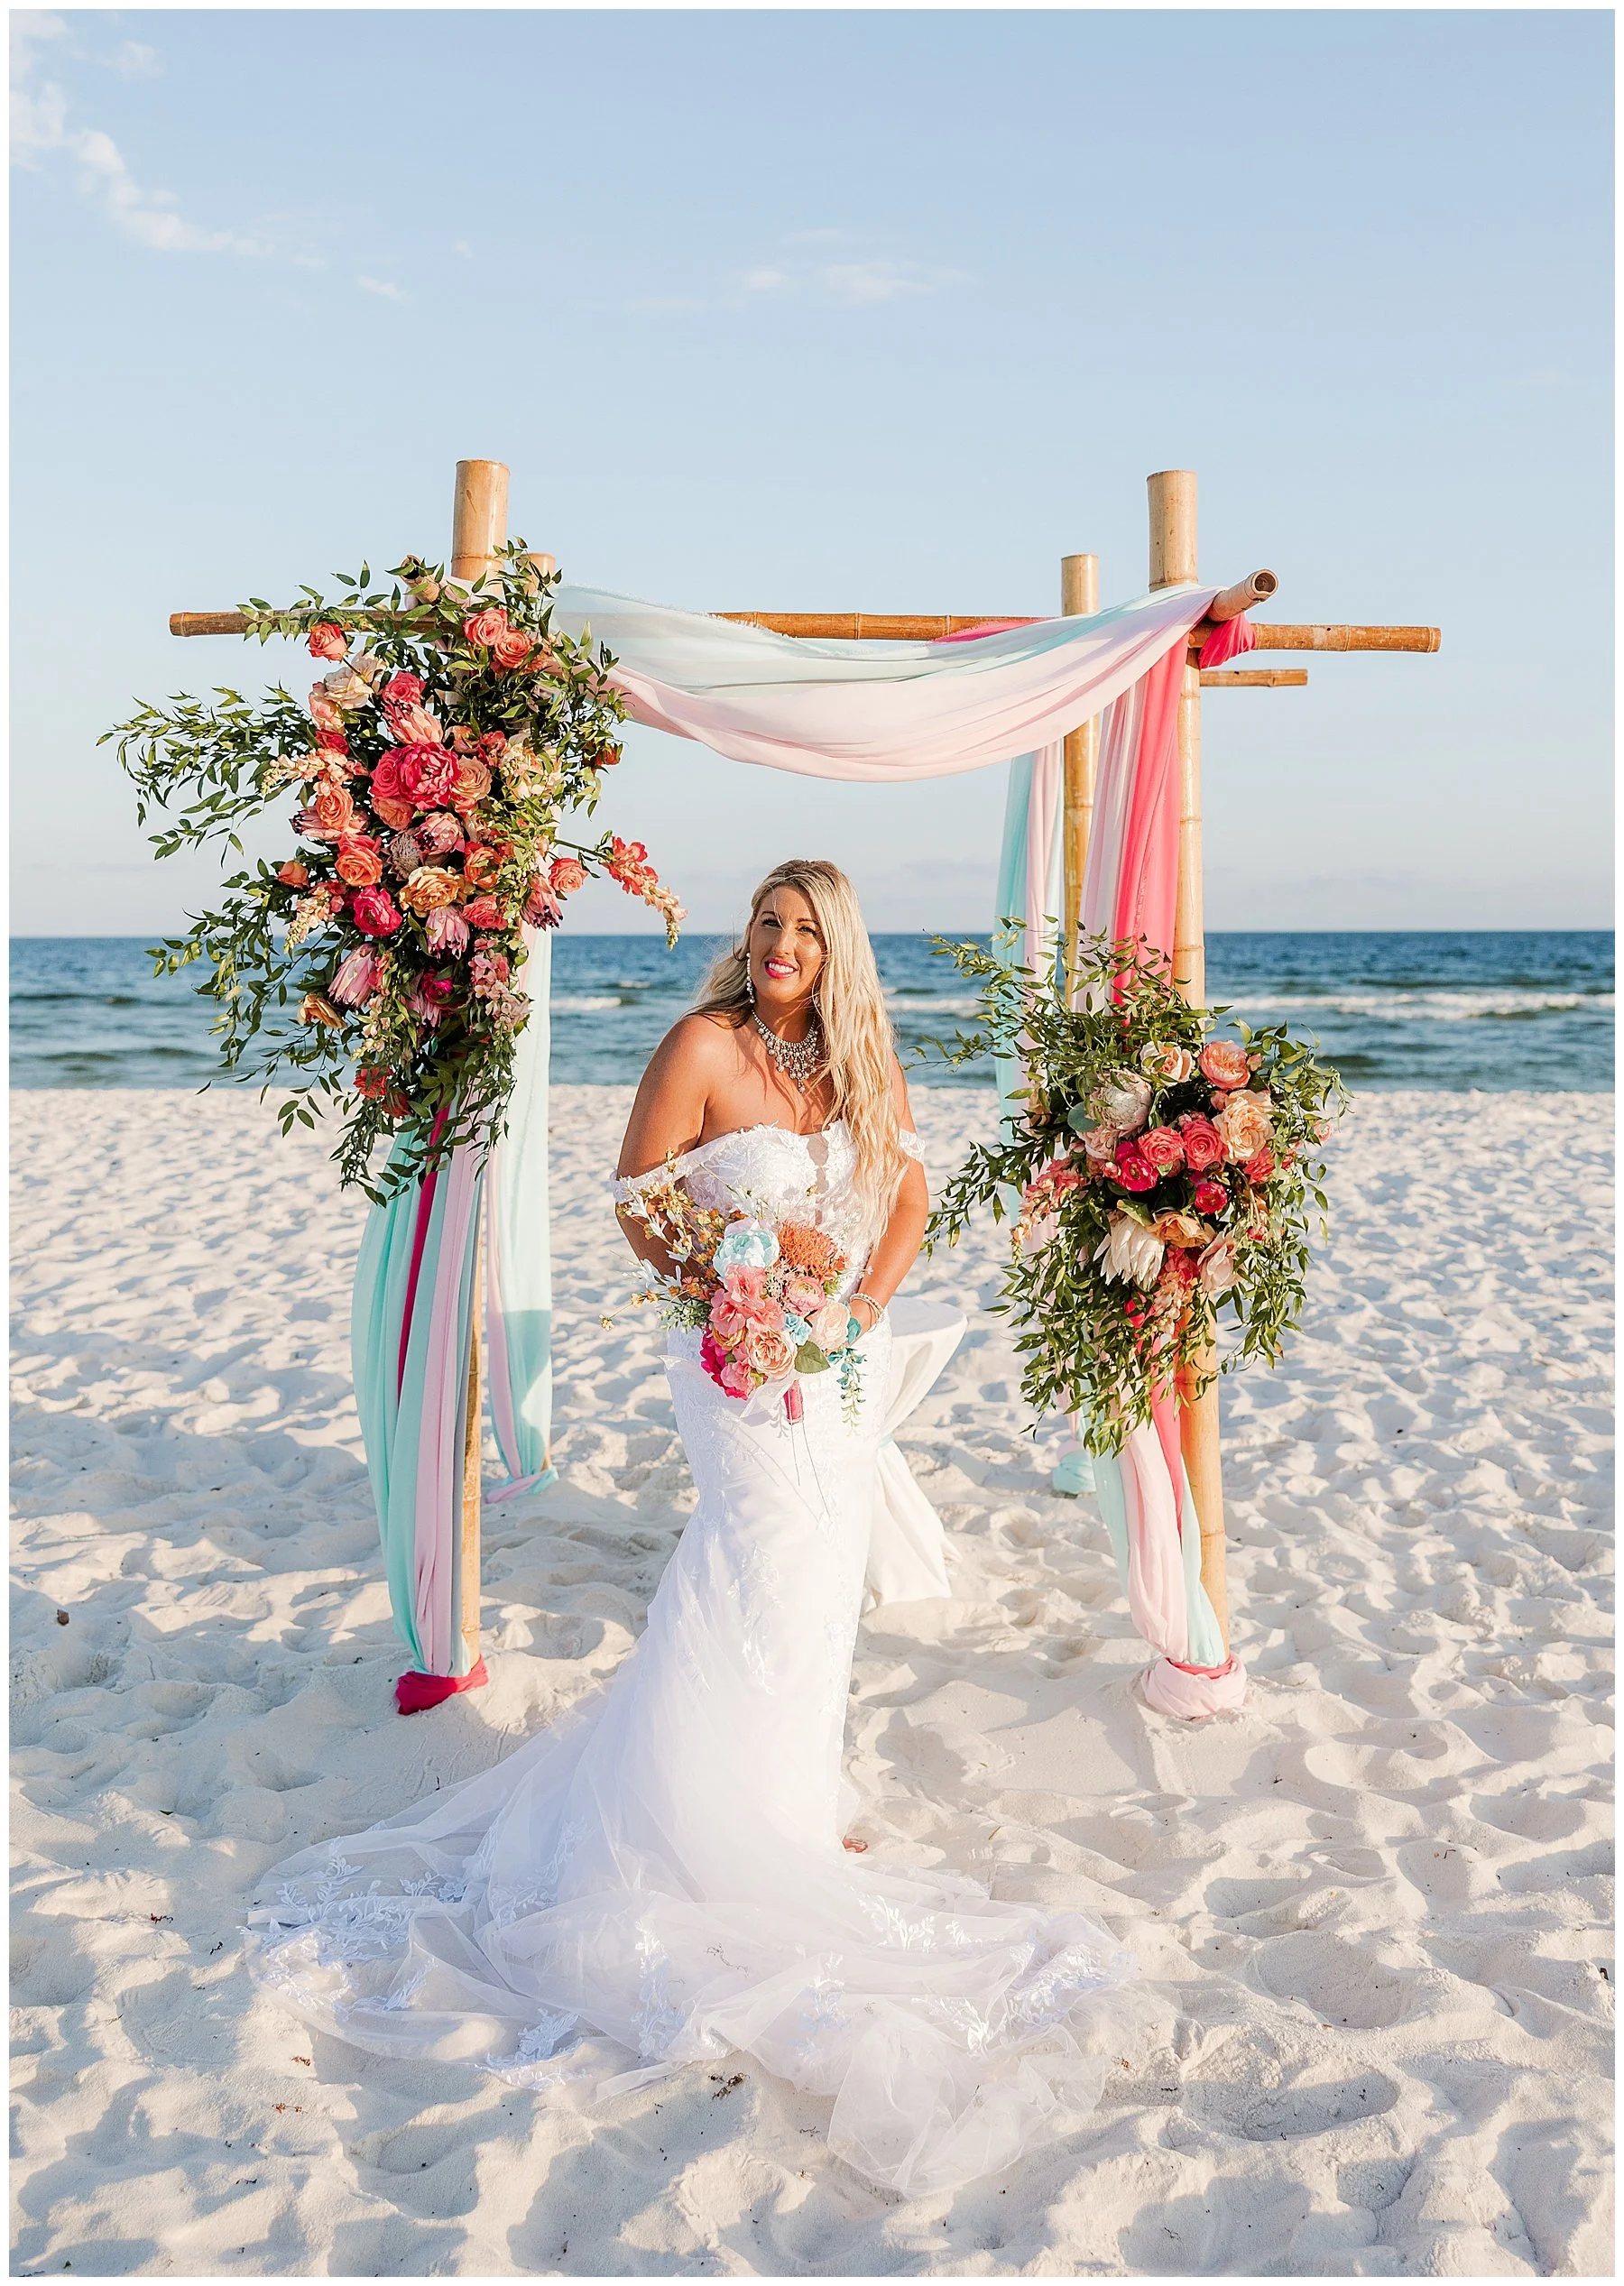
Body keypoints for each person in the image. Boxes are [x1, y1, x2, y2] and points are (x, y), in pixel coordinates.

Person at [247, 860, 1133, 2196]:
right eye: (768, 921)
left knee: (818, 1576)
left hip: (832, 1364)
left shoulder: (856, 1061)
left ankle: (786, 1800)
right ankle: (698, 1821)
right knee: (752, 1554)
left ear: (837, 951)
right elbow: (635, 1194)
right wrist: (724, 1284)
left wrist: (858, 1309)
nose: (781, 944)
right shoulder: (702, 1044)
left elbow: (906, 1195)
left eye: (806, 930)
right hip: (727, 1358)